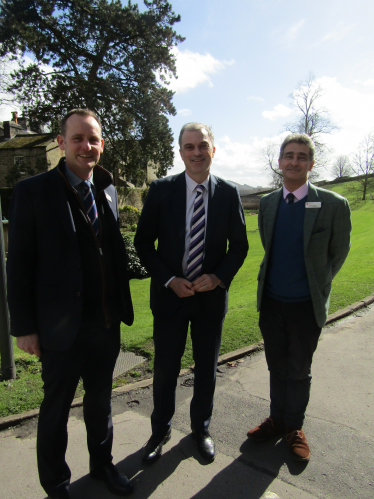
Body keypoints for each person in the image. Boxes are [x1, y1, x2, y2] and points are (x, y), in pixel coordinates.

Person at [7, 109, 134, 498]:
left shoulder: (107, 189)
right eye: (77, 138)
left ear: (102, 144)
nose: (86, 146)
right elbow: (20, 265)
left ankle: (103, 467)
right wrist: (24, 327)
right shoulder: (33, 191)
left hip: (105, 324)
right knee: (55, 411)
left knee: (100, 404)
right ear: (62, 143)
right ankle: (56, 484)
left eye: (93, 139)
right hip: (59, 329)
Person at [134, 122, 248, 463]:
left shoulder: (228, 193)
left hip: (210, 301)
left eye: (202, 146)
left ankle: (201, 429)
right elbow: (143, 243)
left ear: (213, 149)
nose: (196, 152)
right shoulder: (161, 190)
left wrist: (217, 278)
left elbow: (239, 247)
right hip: (170, 299)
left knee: (206, 369)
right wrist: (169, 279)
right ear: (180, 152)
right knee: (166, 368)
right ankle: (160, 430)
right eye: (189, 147)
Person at [247, 133, 351, 461]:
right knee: (276, 366)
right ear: (279, 163)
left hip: (306, 307)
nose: (294, 161)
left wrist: (317, 284)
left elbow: (338, 252)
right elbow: (269, 246)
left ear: (311, 163)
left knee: (299, 370)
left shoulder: (334, 205)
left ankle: (294, 427)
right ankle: (278, 419)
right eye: (289, 155)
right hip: (272, 303)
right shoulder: (267, 204)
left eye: (302, 156)